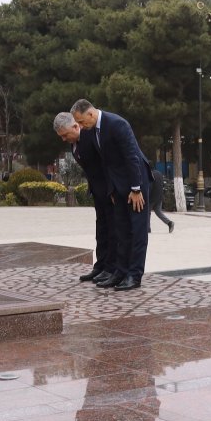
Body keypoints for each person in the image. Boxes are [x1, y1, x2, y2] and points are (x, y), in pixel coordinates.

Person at [71, 99, 149, 290]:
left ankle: (134, 275)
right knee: (121, 231)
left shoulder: (117, 124)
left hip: (136, 183)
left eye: (81, 122)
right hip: (119, 186)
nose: (81, 127)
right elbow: (106, 163)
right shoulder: (93, 130)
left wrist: (136, 189)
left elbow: (132, 157)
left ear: (90, 113)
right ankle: (120, 272)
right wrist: (112, 190)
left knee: (136, 231)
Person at [54, 112, 117, 285]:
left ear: (75, 126)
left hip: (109, 191)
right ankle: (101, 266)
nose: (64, 139)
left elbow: (107, 164)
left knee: (112, 231)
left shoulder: (91, 136)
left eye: (65, 135)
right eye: (61, 136)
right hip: (98, 191)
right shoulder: (74, 142)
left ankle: (111, 268)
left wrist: (112, 189)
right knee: (101, 229)